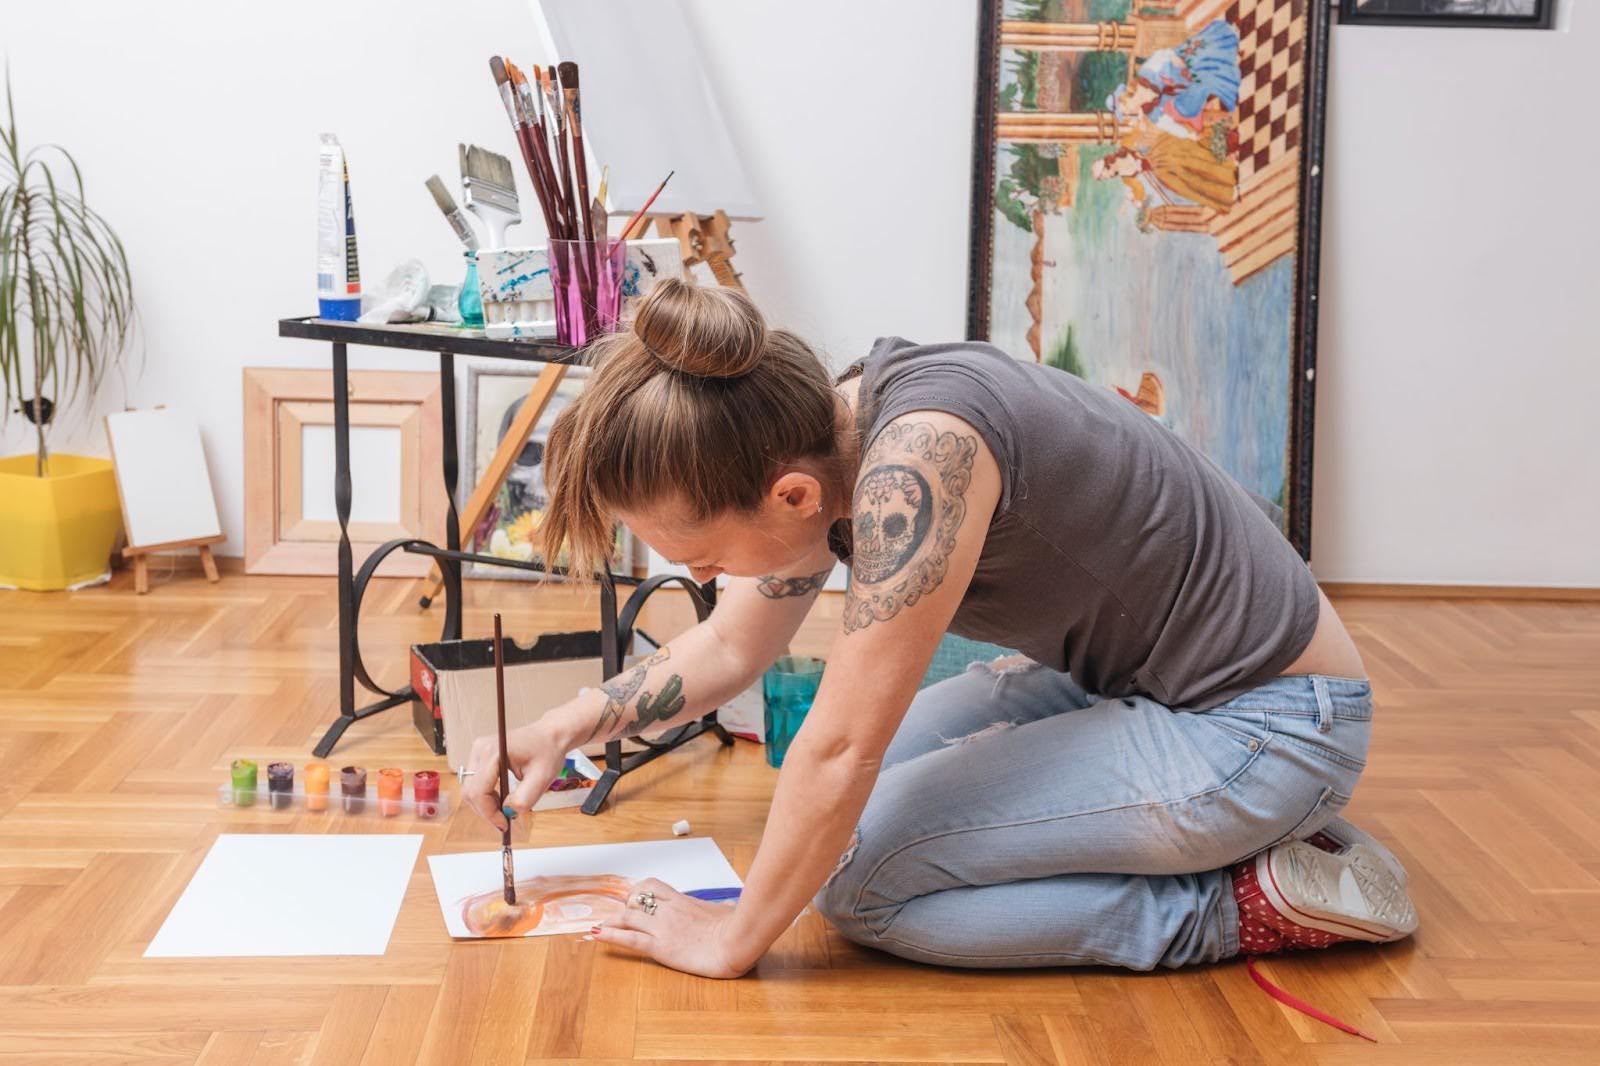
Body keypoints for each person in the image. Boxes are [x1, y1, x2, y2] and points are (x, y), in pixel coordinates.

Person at [462, 278, 1418, 977]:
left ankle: (1235, 910)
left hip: (1270, 729)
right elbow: (730, 647)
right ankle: (1218, 842)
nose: (700, 579)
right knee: (823, 831)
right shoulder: (822, 428)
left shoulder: (921, 461)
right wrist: (561, 727)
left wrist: (731, 937)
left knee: (856, 887)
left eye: (700, 556)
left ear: (790, 496)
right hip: (1136, 683)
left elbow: (839, 751)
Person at [1092, 141, 1237, 216]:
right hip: (1161, 170)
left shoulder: (1124, 148)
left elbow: (1141, 139)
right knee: (1187, 185)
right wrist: (1133, 200)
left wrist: (1144, 152)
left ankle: (1228, 172)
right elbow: (1139, 190)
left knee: (1192, 161)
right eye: (1104, 178)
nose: (1107, 177)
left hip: (1162, 153)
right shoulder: (1125, 178)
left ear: (1106, 166)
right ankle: (1226, 195)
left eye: (1104, 175)